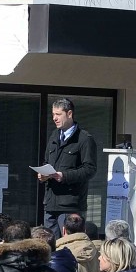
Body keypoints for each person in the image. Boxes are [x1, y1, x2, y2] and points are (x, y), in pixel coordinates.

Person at [37, 98, 99, 237]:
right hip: (50, 204)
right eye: (53, 114)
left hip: (70, 205)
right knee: (50, 245)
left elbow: (90, 169)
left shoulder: (84, 139)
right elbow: (47, 161)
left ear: (69, 114)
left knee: (70, 245)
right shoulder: (54, 136)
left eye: (58, 114)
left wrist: (64, 176)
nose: (54, 118)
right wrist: (43, 174)